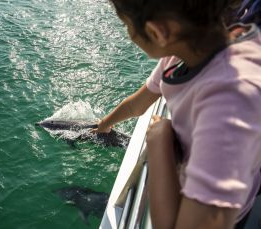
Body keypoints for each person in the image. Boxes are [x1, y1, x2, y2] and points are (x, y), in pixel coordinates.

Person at [93, 0, 261, 228]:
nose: (128, 34)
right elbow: (137, 105)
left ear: (157, 32)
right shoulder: (186, 53)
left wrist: (158, 140)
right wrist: (104, 124)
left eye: (126, 25)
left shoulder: (229, 102)